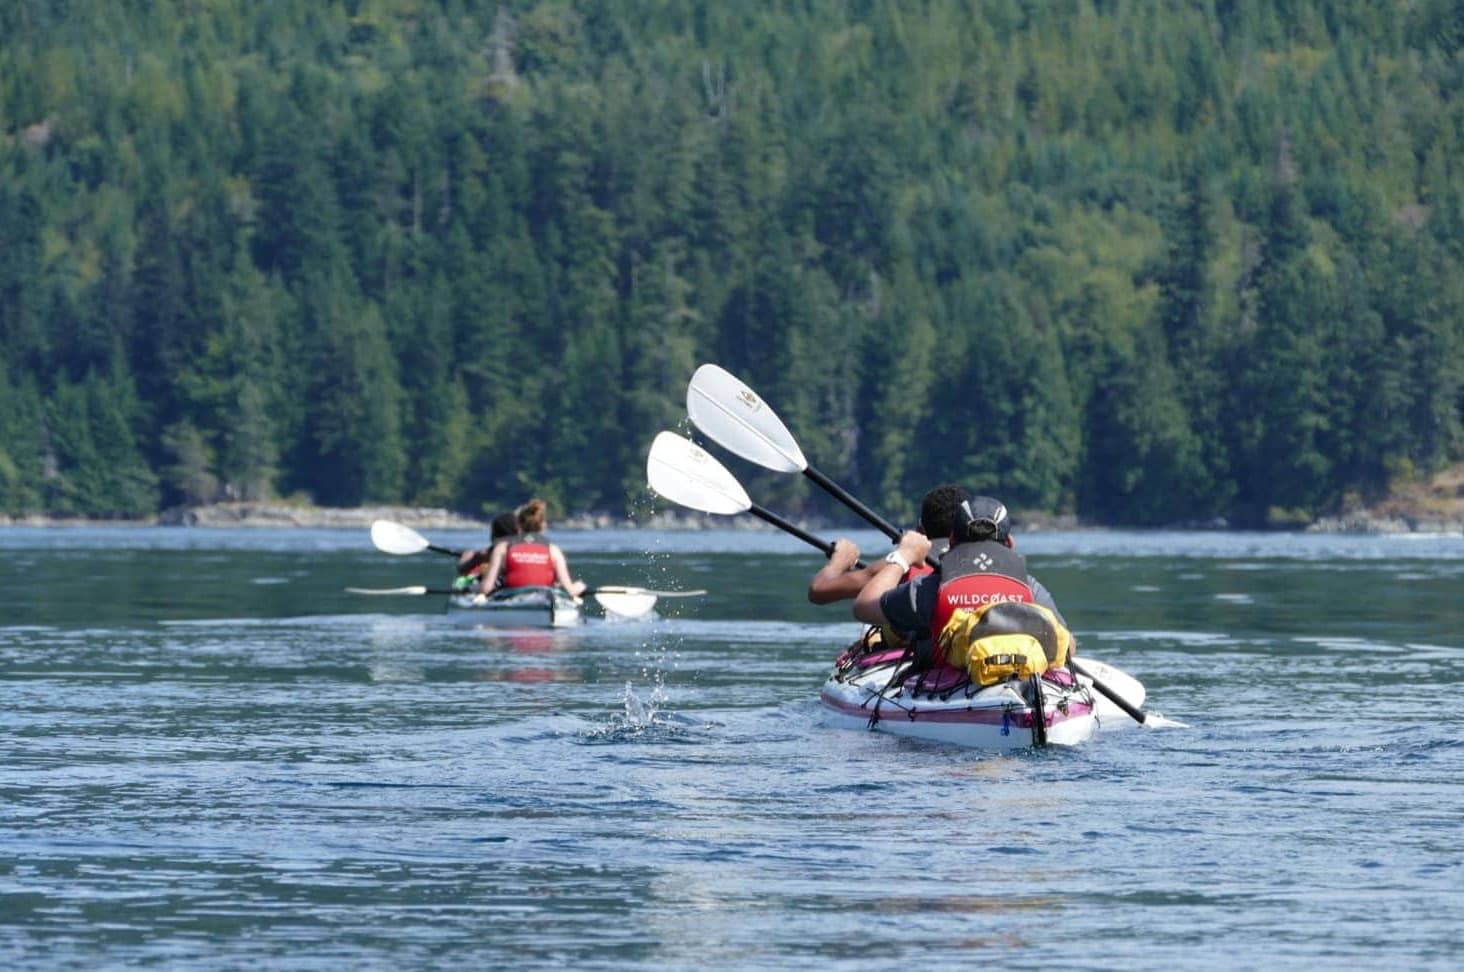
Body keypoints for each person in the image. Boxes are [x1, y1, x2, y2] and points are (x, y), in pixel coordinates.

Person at [852, 494, 1070, 669]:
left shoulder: (931, 587)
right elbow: (1068, 646)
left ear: (953, 541)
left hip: (948, 688)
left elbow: (863, 607)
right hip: (1021, 674)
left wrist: (903, 556)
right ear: (1010, 543)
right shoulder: (1027, 584)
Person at [807, 484, 969, 604]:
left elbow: (819, 590)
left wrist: (839, 561)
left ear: (919, 530)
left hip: (910, 645)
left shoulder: (899, 564)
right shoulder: (990, 563)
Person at [475, 498, 587, 598]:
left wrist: (474, 588)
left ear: (518, 525)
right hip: (544, 599)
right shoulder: (554, 550)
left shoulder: (502, 548)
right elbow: (570, 590)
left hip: (512, 600)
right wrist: (580, 586)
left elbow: (486, 588)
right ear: (543, 525)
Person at [454, 512, 520, 591]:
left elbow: (462, 570)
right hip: (523, 587)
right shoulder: (525, 548)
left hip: (500, 588)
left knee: (463, 583)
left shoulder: (490, 552)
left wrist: (465, 559)